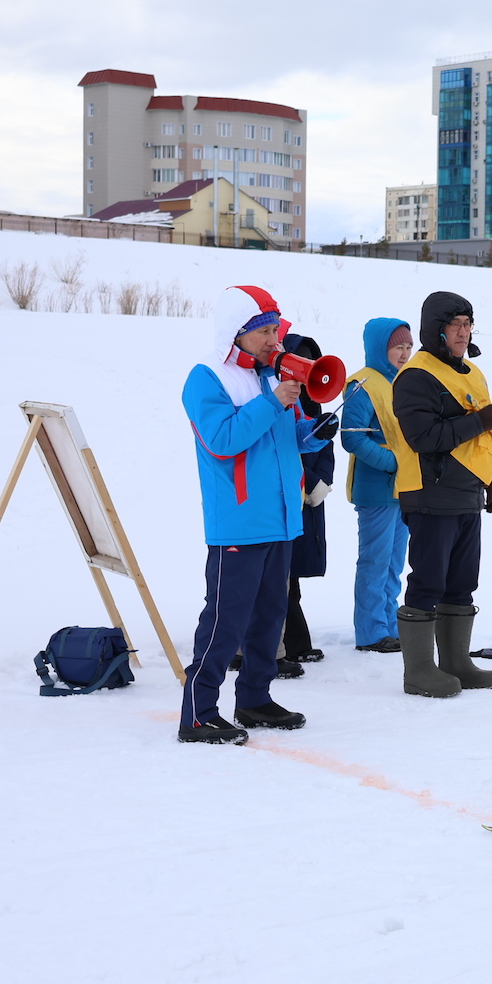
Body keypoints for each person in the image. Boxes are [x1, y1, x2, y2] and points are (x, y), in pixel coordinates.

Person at [178, 286, 337, 743]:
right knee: (226, 619)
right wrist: (274, 403)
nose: (275, 340)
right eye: (265, 331)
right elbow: (222, 440)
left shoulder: (268, 376)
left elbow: (281, 441)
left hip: (284, 519)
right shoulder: (206, 377)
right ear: (237, 333)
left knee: (270, 617)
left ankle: (253, 698)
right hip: (239, 522)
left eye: (275, 329)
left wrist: (314, 433)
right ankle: (198, 712)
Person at [388, 292, 492, 698]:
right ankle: (418, 670)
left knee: (461, 582)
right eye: (455, 323)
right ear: (435, 328)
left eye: (468, 323)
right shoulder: (416, 375)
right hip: (429, 493)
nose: (463, 331)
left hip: (466, 493)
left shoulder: (472, 373)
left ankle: (456, 661)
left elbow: (487, 433)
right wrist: (475, 422)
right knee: (428, 581)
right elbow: (423, 438)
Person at [340, 317, 413, 654]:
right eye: (398, 346)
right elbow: (352, 438)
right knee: (375, 561)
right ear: (379, 348)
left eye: (409, 346)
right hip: (377, 490)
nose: (404, 352)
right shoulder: (361, 384)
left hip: (405, 490)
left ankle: (390, 625)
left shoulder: (406, 382)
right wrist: (393, 463)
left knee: (395, 563)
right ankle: (370, 631)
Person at [281, 332, 335, 666]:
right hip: (293, 495)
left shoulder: (313, 401)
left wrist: (322, 481)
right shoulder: (281, 400)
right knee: (281, 576)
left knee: (293, 574)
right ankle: (289, 644)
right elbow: (285, 447)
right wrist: (310, 482)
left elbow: (321, 445)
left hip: (310, 501)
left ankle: (296, 642)